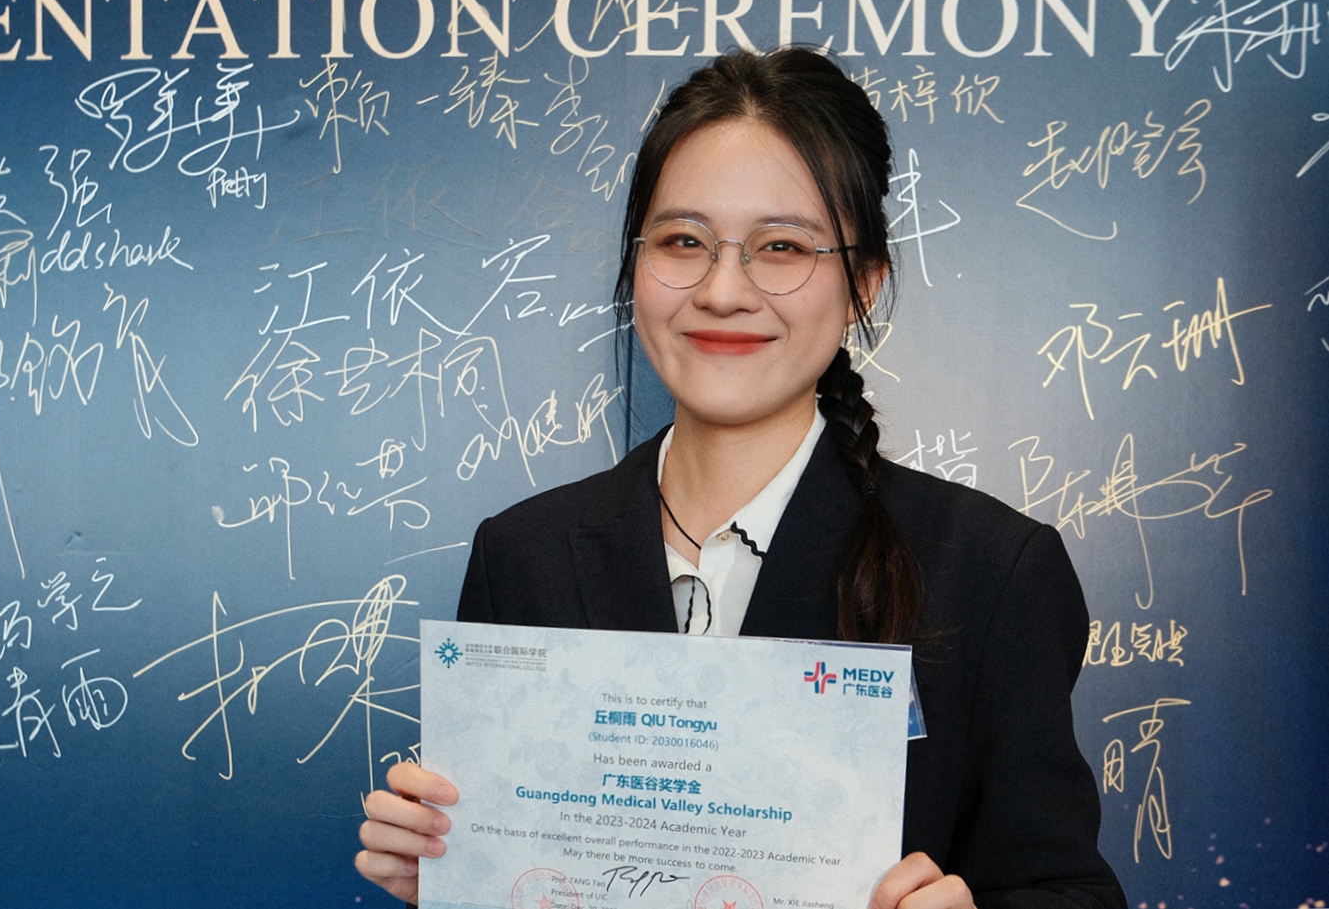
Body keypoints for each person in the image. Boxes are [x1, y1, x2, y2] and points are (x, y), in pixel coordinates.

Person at [355, 48, 1126, 909]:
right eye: (683, 241)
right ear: (636, 264)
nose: (723, 290)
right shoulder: (521, 553)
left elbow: (1067, 890)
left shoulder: (988, 569)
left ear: (864, 282)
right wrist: (455, 874)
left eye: (781, 246)